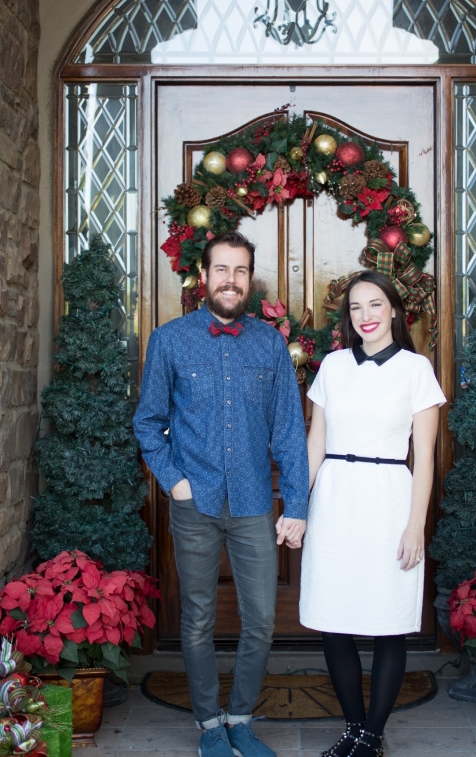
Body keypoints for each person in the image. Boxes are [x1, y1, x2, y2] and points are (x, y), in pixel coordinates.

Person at [133, 231, 309, 757]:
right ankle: (209, 723)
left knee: (259, 620)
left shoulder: (270, 343)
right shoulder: (169, 340)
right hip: (195, 503)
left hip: (255, 502)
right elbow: (149, 423)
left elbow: (288, 431)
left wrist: (296, 505)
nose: (231, 280)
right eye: (222, 270)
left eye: (240, 271)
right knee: (199, 619)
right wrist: (176, 483)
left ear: (249, 280)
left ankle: (240, 718)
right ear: (203, 277)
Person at [300, 270, 446, 757]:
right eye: (356, 308)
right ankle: (353, 727)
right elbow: (315, 443)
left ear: (394, 311)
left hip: (389, 499)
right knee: (333, 618)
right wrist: (298, 506)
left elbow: (423, 457)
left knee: (389, 620)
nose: (366, 316)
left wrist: (415, 526)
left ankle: (372, 736)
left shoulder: (416, 369)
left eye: (375, 305)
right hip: (336, 500)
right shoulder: (333, 367)